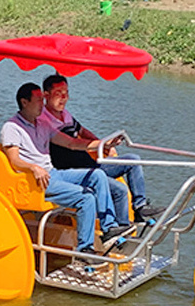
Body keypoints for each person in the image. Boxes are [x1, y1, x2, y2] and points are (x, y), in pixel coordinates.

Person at [0, 83, 129, 255]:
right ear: (24, 102)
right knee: (87, 197)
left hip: (53, 174)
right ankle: (85, 249)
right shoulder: (12, 127)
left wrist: (104, 144)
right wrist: (34, 168)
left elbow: (72, 143)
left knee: (97, 175)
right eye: (38, 100)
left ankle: (109, 227)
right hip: (36, 180)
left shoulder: (42, 124)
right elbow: (14, 160)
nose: (42, 104)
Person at [38, 74, 165, 226]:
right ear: (46, 95)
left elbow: (83, 131)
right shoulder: (43, 121)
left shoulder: (65, 114)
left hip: (89, 163)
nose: (64, 98)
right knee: (119, 190)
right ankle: (122, 229)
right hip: (74, 172)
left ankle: (140, 206)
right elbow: (72, 143)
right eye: (58, 94)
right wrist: (100, 145)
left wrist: (104, 146)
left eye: (66, 93)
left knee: (133, 159)